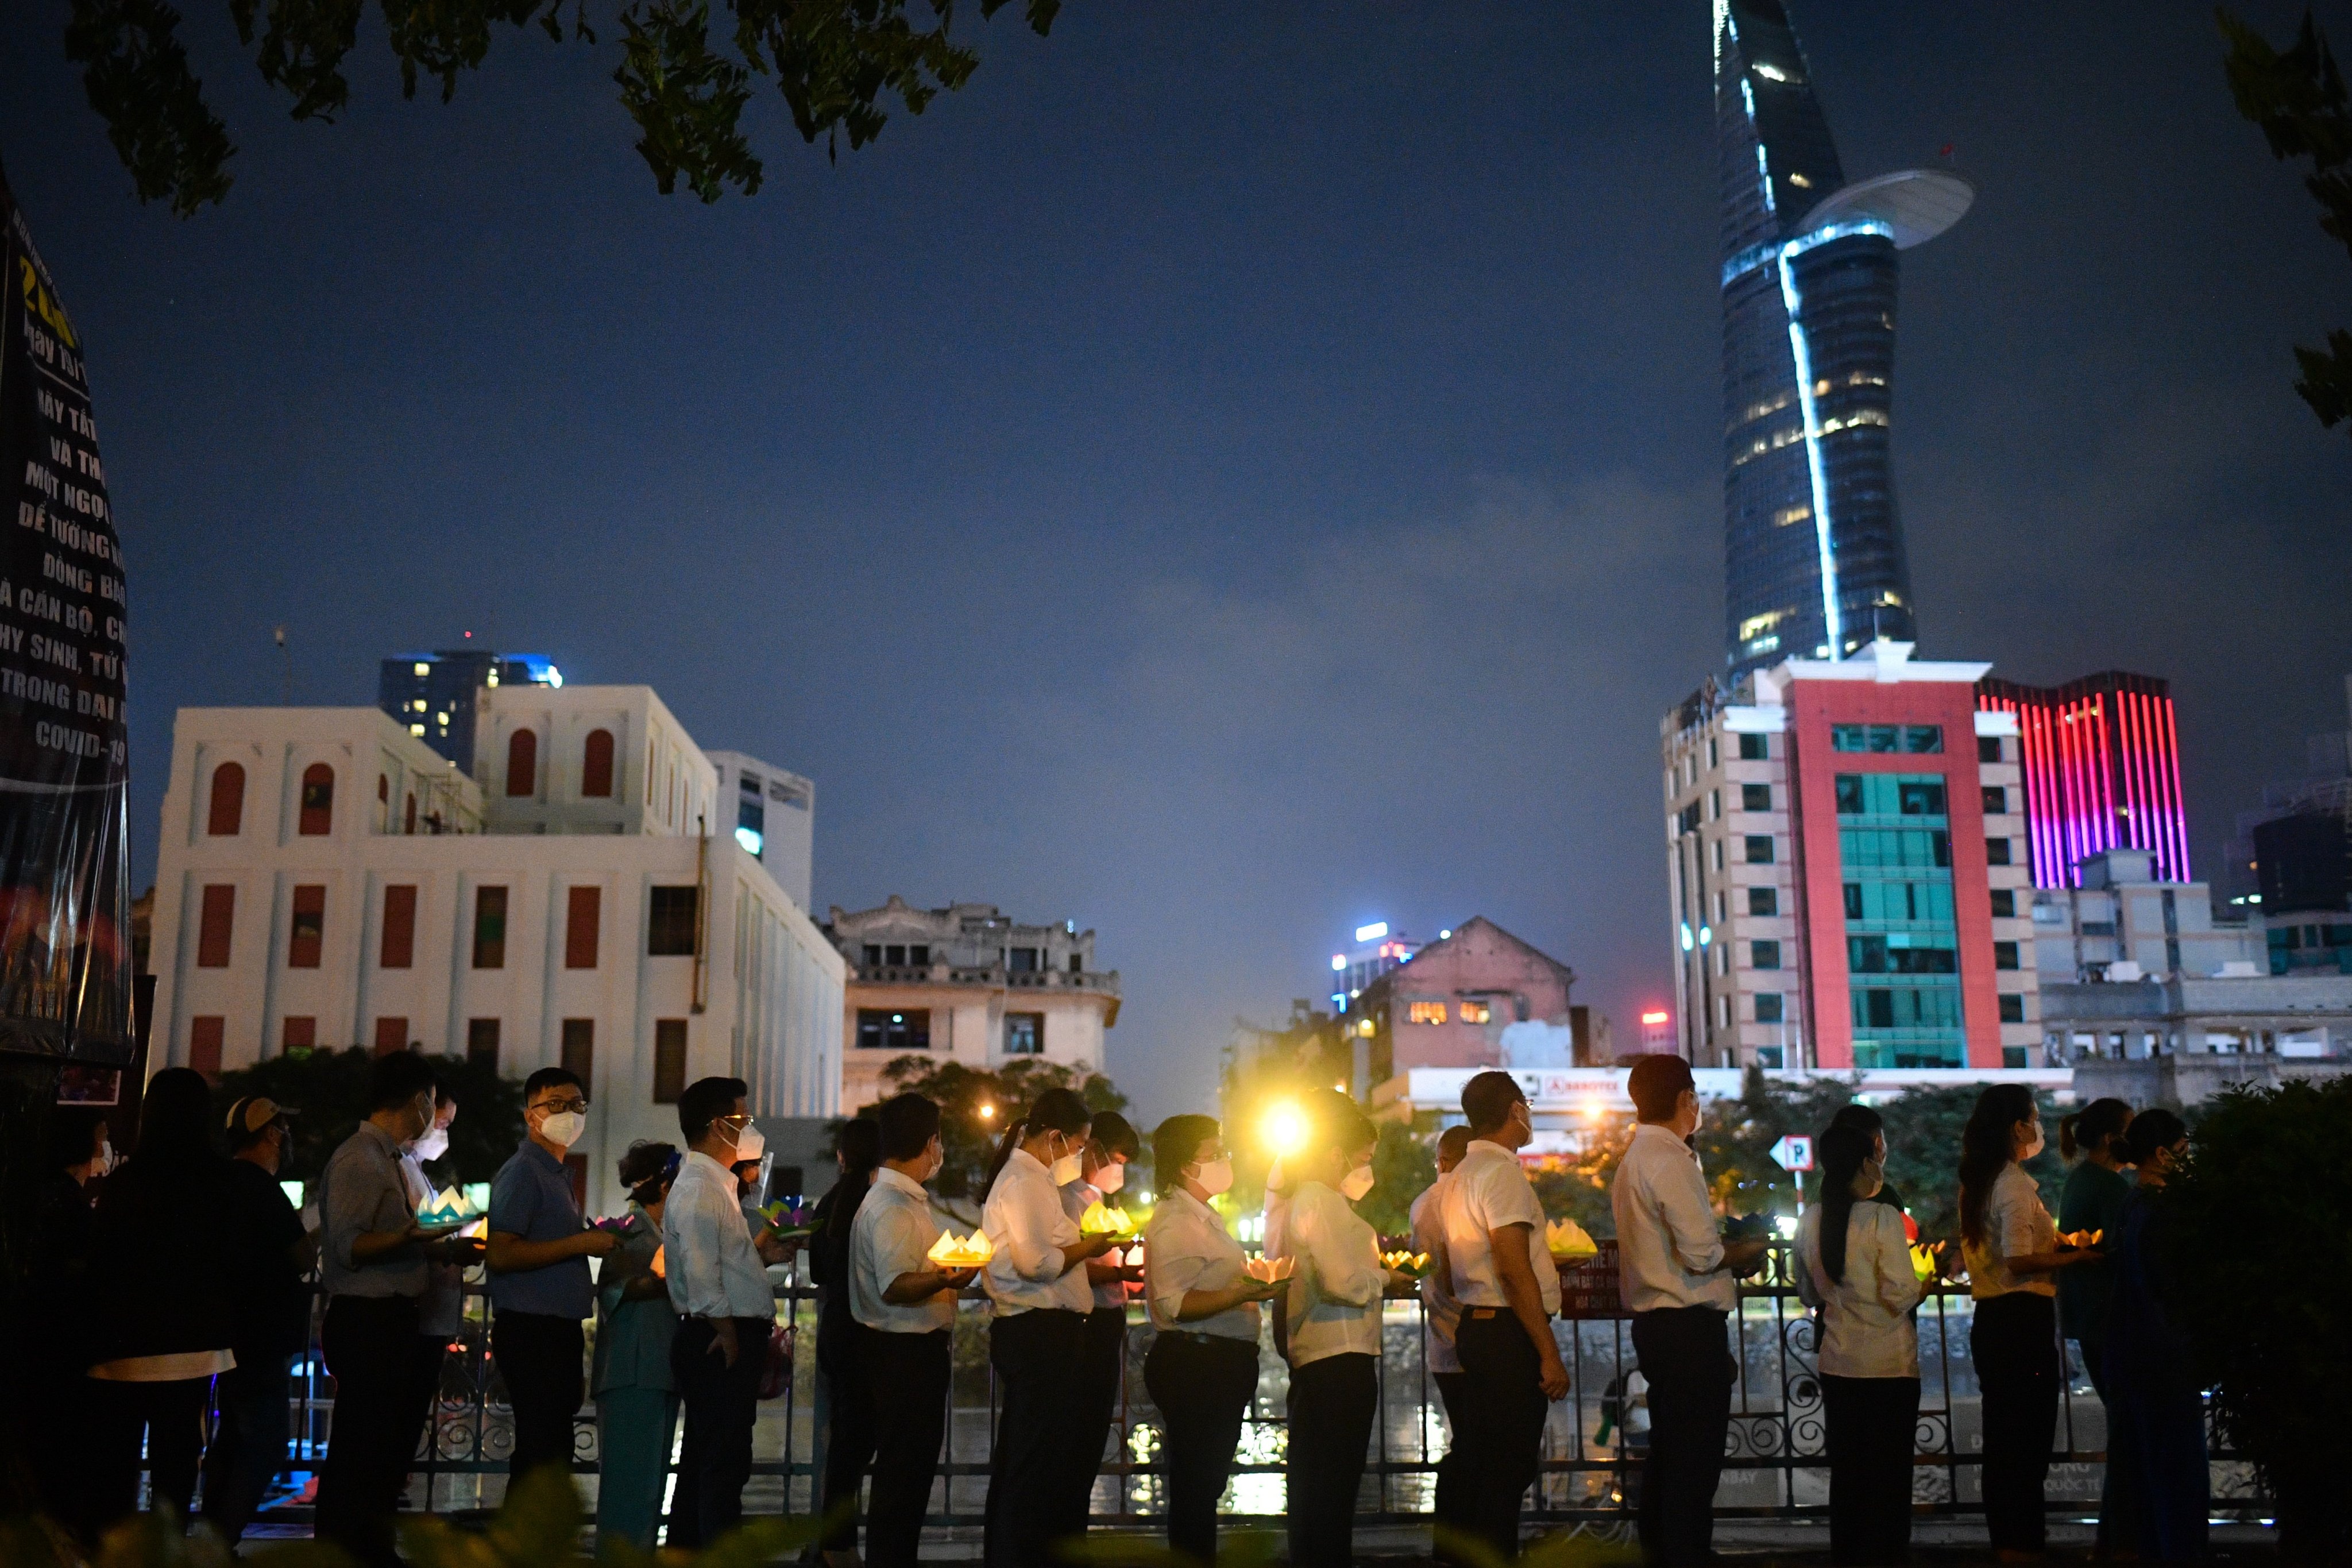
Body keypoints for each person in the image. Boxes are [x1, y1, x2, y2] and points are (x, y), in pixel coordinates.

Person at [315, 1050, 473, 1568]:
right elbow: (348, 1246)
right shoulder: (359, 1159)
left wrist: (436, 1246)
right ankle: (343, 1549)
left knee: (380, 1448)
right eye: (433, 1104)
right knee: (361, 1448)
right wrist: (411, 1235)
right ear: (420, 1101)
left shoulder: (387, 1158)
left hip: (393, 1318)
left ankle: (369, 1546)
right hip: (369, 1318)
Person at [1610, 1053, 1768, 1568]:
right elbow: (1700, 1254)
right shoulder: (1668, 1159)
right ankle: (1686, 1553)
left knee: (1670, 1451)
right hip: (1686, 1327)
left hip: (1658, 1326)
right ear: (1686, 1099)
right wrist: (1746, 1252)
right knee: (1694, 1457)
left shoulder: (1636, 1158)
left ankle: (1662, 1549)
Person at [82, 1067, 236, 1532]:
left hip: (123, 1348)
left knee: (116, 1467)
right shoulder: (218, 1181)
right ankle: (166, 1550)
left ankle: (114, 1551)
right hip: (191, 1349)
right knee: (177, 1466)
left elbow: (102, 1262)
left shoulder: (125, 1182)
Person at [978, 1087, 1119, 1567]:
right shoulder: (1024, 1181)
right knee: (1030, 1461)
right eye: (1078, 1147)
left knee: (1033, 1457)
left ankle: (1021, 1552)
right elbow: (1036, 1263)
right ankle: (1015, 1555)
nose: (1078, 1157)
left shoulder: (1033, 1179)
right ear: (1056, 1137)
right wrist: (1089, 1247)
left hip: (1045, 1331)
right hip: (1036, 1331)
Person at [1957, 1084, 2094, 1563]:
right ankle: (2021, 1545)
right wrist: (2073, 1258)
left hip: (1993, 1320)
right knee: (2026, 1443)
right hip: (2020, 1321)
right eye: (2033, 1119)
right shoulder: (2012, 1184)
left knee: (2005, 1441)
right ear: (2017, 1128)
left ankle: (2010, 1543)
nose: (2037, 1128)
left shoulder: (1981, 1181)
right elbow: (2016, 1259)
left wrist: (2059, 1244)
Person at [1436, 1073, 1568, 1562]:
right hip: (1508, 1334)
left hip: (1476, 1324)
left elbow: (1450, 1268)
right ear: (1515, 1110)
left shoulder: (1458, 1177)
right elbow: (1512, 1269)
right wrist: (1548, 1354)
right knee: (1508, 1468)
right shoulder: (1501, 1174)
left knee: (1485, 1464)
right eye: (1526, 1104)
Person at [1278, 1089, 1412, 1568]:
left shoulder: (1322, 1201)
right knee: (1330, 1484)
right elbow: (1340, 1282)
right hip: (1335, 1357)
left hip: (1336, 1355)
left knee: (1326, 1483)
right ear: (1336, 1154)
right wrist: (1385, 1279)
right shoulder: (1318, 1199)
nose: (1366, 1169)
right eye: (1364, 1158)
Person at [1141, 1114, 1282, 1564]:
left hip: (1217, 1363)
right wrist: (1241, 1293)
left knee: (1205, 1479)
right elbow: (1175, 1304)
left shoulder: (1202, 1218)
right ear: (1186, 1165)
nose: (1224, 1160)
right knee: (1195, 1482)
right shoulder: (1175, 1221)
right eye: (1214, 1153)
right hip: (1196, 1364)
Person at [850, 1093, 980, 1568]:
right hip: (904, 1354)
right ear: (930, 1143)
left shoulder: (898, 1199)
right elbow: (895, 1285)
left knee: (904, 1475)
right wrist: (946, 1278)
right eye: (938, 1140)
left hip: (903, 1353)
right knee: (903, 1477)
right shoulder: (893, 1206)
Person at [664, 1076, 791, 1548]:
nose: (751, 1129)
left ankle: (688, 1551)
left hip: (721, 1331)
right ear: (720, 1126)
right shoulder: (701, 1187)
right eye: (745, 1118)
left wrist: (757, 1259)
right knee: (724, 1462)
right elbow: (701, 1273)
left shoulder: (715, 1185)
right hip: (718, 1337)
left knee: (707, 1460)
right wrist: (729, 1332)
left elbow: (716, 1263)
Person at [1796, 1124, 1927, 1566]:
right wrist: (1924, 1284)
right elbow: (1900, 1294)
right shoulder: (1881, 1217)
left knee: (1848, 1475)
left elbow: (1807, 1293)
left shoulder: (1811, 1219)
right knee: (1888, 1477)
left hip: (1838, 1363)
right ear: (1864, 1163)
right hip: (1889, 1366)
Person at [486, 1066, 620, 1484]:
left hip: (556, 1327)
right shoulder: (524, 1172)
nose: (570, 1115)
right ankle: (525, 1527)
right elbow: (501, 1253)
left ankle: (538, 1525)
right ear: (531, 1115)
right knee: (541, 1451)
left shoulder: (555, 1174)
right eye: (557, 1105)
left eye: (577, 1105)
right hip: (532, 1329)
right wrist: (579, 1244)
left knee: (552, 1448)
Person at [202, 1095, 315, 1546]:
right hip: (262, 1340)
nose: (287, 1139)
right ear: (271, 1134)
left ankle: (210, 1540)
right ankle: (220, 1540)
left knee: (230, 1442)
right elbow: (302, 1256)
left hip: (225, 1335)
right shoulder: (264, 1190)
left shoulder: (220, 1185)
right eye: (284, 1130)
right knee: (265, 1444)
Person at [2106, 1109, 2204, 1563]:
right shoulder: (2163, 1211)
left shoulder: (2132, 1204)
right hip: (2165, 1355)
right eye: (2185, 1148)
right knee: (2179, 1471)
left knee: (2148, 1472)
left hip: (2132, 1353)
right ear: (2163, 1154)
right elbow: (2172, 1286)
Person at [18, 1106, 110, 1538]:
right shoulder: (70, 1204)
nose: (105, 1147)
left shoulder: (38, 1196)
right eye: (101, 1137)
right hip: (63, 1347)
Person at [2056, 1097, 2138, 1558]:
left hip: (2088, 1318)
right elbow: (2124, 1250)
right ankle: (2120, 1538)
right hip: (2111, 1318)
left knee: (2124, 1428)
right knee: (2129, 1431)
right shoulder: (2109, 1186)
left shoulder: (2080, 1179)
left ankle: (2116, 1537)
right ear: (2112, 1139)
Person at [593, 1141, 683, 1552]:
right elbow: (613, 1290)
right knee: (630, 1487)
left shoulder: (661, 1232)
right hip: (632, 1370)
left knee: (649, 1487)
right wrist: (661, 1282)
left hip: (655, 1368)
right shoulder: (629, 1231)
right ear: (664, 1186)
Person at [1064, 1109, 1144, 1523]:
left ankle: (1074, 1524)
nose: (1119, 1172)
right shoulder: (1067, 1197)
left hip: (1109, 1318)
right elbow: (1068, 1264)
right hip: (1088, 1321)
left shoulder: (1095, 1198)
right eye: (1117, 1160)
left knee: (1094, 1432)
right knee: (1079, 1435)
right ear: (1093, 1149)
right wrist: (1117, 1273)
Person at [809, 1117, 882, 1566]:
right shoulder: (876, 1202)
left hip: (835, 1327)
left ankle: (834, 1542)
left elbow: (818, 1272)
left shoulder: (829, 1202)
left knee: (844, 1444)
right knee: (859, 1446)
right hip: (866, 1333)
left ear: (841, 1156)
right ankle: (838, 1546)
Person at [1411, 1125, 1473, 1552]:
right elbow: (1455, 1277)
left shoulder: (1426, 1202)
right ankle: (1459, 1546)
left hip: (1444, 1339)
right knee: (1475, 1450)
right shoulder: (1452, 1199)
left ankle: (1452, 1546)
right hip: (1465, 1337)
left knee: (1467, 1446)